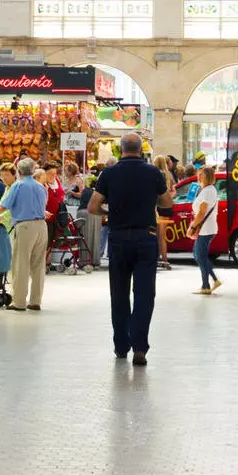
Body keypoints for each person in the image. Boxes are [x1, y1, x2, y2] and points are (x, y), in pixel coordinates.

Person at [89, 133, 168, 364]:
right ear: (141, 149)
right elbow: (167, 202)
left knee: (119, 294)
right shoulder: (153, 172)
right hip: (145, 237)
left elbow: (93, 206)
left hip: (119, 239)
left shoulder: (109, 173)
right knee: (145, 294)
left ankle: (121, 346)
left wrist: (110, 213)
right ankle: (140, 348)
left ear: (120, 149)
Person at [3, 156, 50, 311]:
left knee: (21, 264)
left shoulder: (18, 186)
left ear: (18, 171)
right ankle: (35, 301)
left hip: (25, 226)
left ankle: (19, 301)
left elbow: (5, 205)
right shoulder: (41, 186)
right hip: (42, 226)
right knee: (38, 265)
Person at [189, 164, 222, 294]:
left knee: (200, 256)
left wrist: (192, 227)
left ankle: (206, 286)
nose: (199, 176)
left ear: (207, 176)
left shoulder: (208, 190)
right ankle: (212, 280)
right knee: (198, 255)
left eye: (201, 175)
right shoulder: (207, 190)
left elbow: (202, 212)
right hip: (206, 228)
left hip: (206, 228)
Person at [73, 171, 104, 271]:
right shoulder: (99, 191)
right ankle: (94, 260)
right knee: (95, 237)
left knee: (85, 237)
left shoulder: (86, 191)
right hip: (97, 214)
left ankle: (85, 260)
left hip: (84, 213)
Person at [152, 154, 177, 270]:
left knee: (159, 236)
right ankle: (162, 259)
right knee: (162, 235)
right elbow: (173, 192)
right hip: (168, 207)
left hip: (159, 207)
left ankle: (163, 260)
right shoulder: (169, 176)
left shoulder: (156, 175)